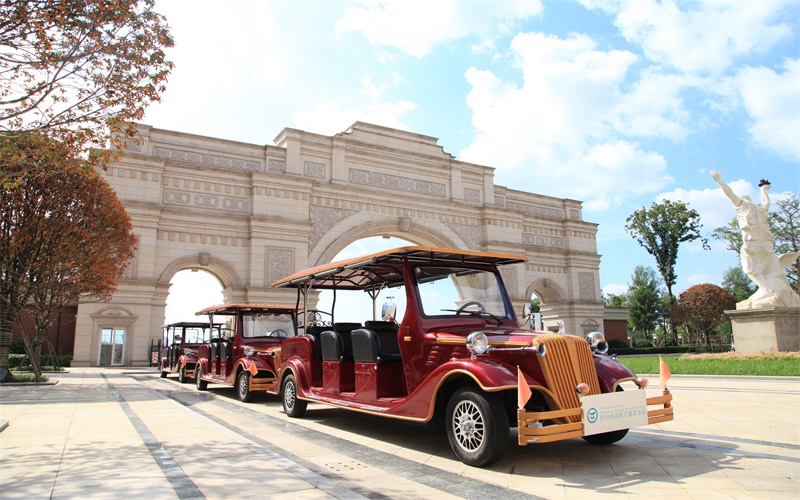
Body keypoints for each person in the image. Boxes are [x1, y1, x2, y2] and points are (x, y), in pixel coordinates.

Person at [710, 170, 800, 309]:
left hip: (753, 242)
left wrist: (719, 181)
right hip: (767, 245)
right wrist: (763, 189)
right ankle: (771, 289)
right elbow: (766, 202)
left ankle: (765, 289)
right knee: (767, 267)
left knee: (748, 267)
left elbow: (729, 194)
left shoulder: (743, 206)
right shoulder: (761, 210)